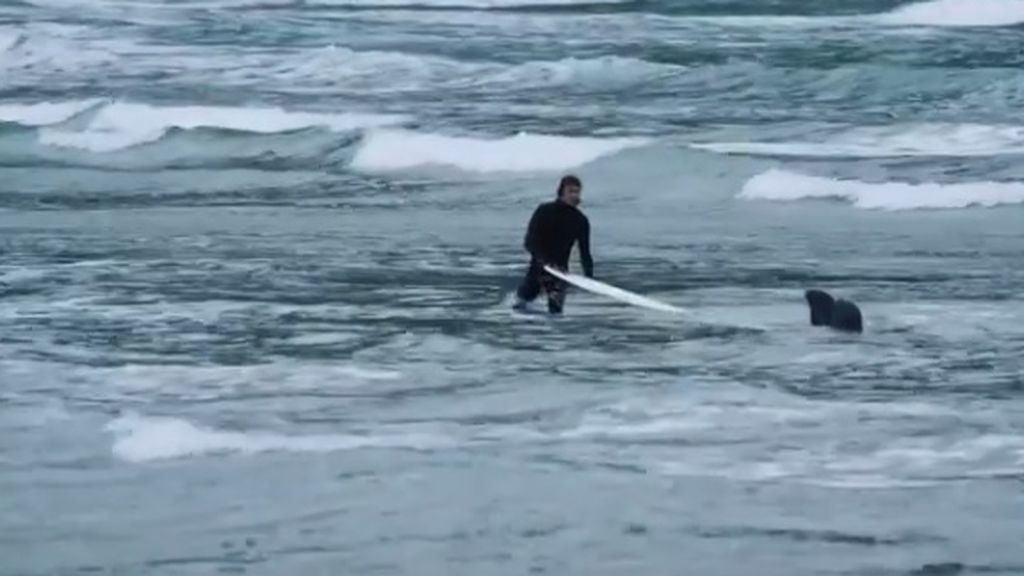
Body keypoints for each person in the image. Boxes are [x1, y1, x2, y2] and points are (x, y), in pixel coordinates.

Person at [513, 174, 594, 314]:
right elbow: (529, 242)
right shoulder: (544, 211)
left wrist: (589, 277)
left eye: (577, 192)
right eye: (571, 191)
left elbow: (585, 253)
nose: (575, 195)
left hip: (560, 273)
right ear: (561, 192)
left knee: (556, 313)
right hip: (538, 268)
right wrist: (544, 261)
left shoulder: (580, 220)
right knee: (521, 304)